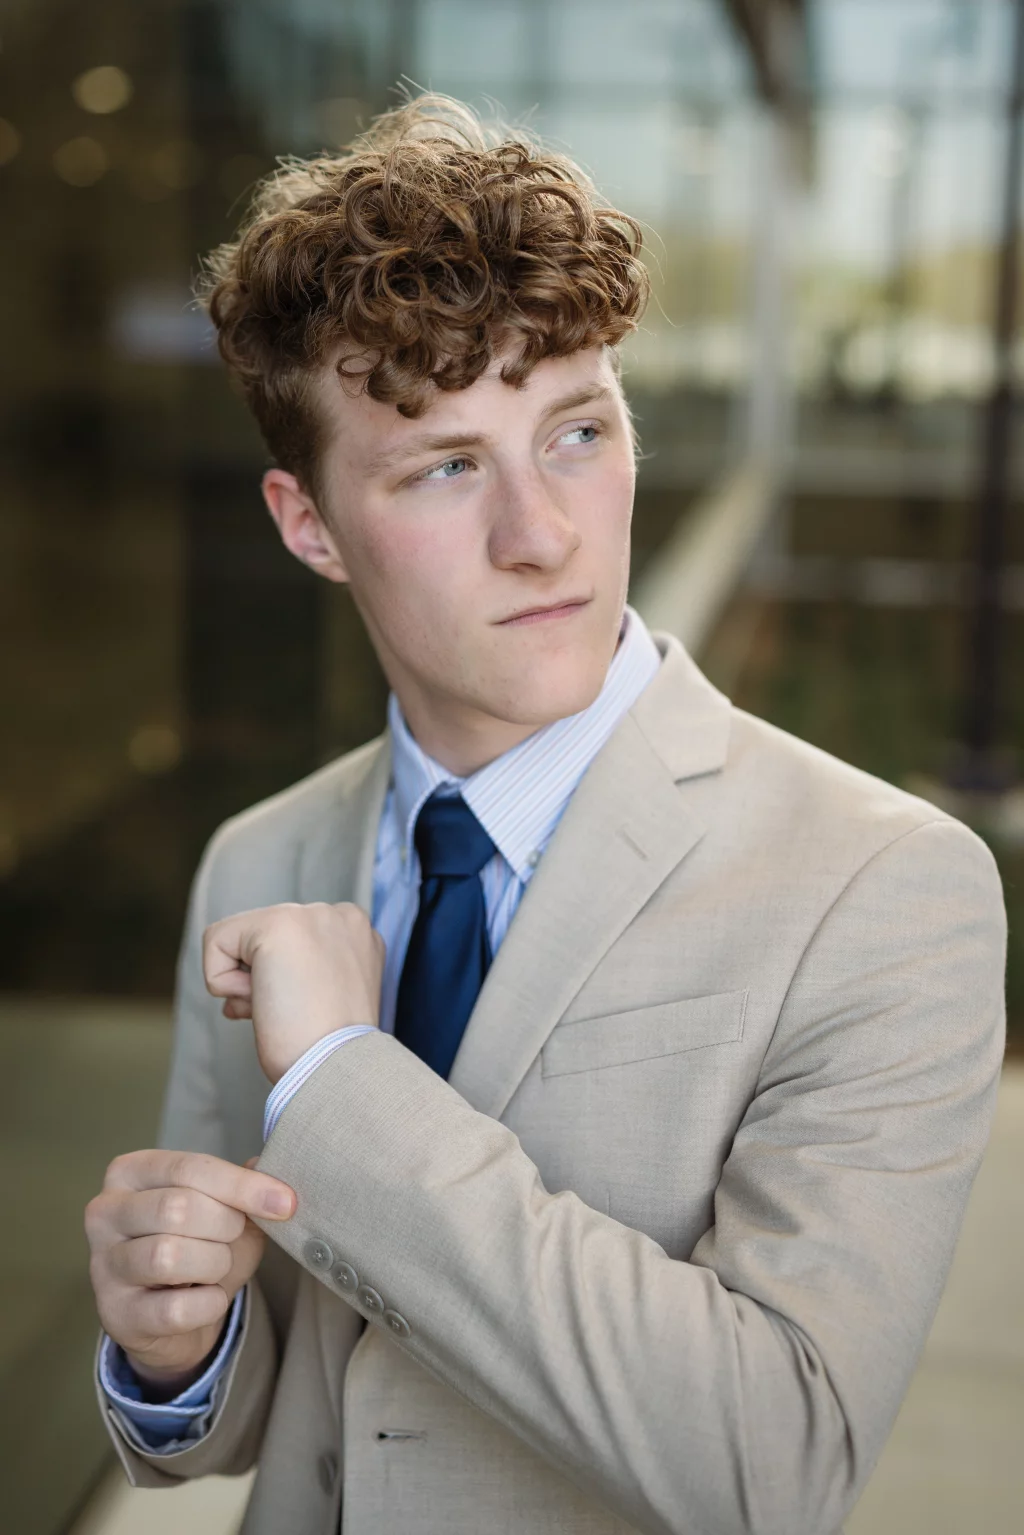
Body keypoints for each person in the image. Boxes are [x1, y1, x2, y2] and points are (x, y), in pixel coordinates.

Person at [84, 94, 1006, 1535]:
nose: (543, 533)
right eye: (448, 466)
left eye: (575, 432)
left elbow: (773, 1464)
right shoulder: (260, 859)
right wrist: (173, 1349)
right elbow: (283, 1401)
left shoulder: (884, 887)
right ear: (306, 521)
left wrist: (338, 1078)